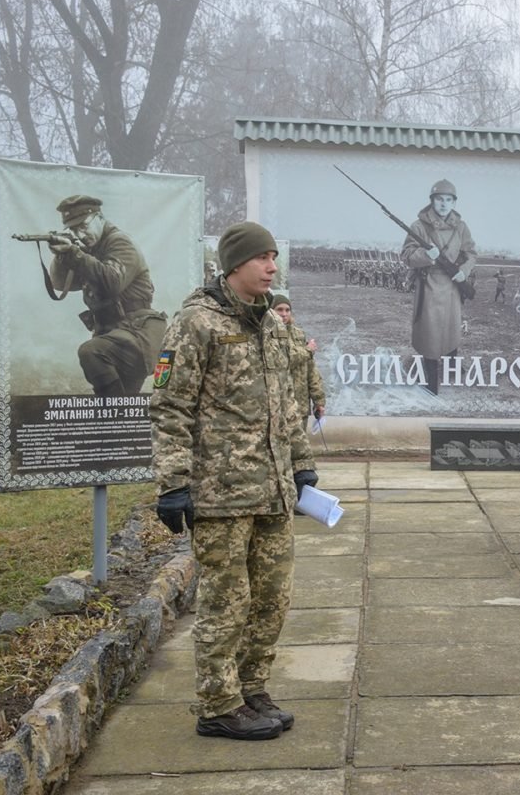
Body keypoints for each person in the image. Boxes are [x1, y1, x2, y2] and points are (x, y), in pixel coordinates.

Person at [150, 221, 317, 740]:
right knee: (226, 602)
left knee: (272, 599)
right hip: (221, 494)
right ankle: (219, 704)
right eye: (262, 258)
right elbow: (170, 405)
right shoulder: (195, 323)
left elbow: (287, 403)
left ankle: (250, 688)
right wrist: (172, 482)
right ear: (234, 264)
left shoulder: (273, 323)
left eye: (274, 257)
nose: (272, 267)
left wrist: (301, 463)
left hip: (273, 490)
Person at [46, 195, 167, 396]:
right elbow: (60, 283)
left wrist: (75, 254)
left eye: (83, 226)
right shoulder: (90, 249)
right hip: (113, 335)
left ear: (100, 218)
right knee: (125, 400)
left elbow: (112, 282)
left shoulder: (120, 242)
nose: (80, 234)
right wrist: (61, 255)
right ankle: (116, 414)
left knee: (91, 352)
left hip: (137, 334)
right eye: (73, 230)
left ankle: (113, 410)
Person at [400, 179, 477, 395]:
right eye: (439, 199)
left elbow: (471, 253)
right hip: (429, 286)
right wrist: (426, 255)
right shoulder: (418, 226)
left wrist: (464, 271)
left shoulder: (461, 227)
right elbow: (406, 255)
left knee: (451, 328)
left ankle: (452, 369)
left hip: (453, 285)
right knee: (430, 334)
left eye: (448, 200)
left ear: (454, 203)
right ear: (432, 201)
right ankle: (431, 383)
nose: (443, 204)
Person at [271, 295, 326, 421]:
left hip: (300, 406)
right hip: (278, 407)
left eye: (287, 310)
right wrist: (307, 350)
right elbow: (281, 361)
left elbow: (311, 369)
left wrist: (318, 401)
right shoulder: (266, 334)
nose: (284, 314)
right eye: (279, 310)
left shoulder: (298, 333)